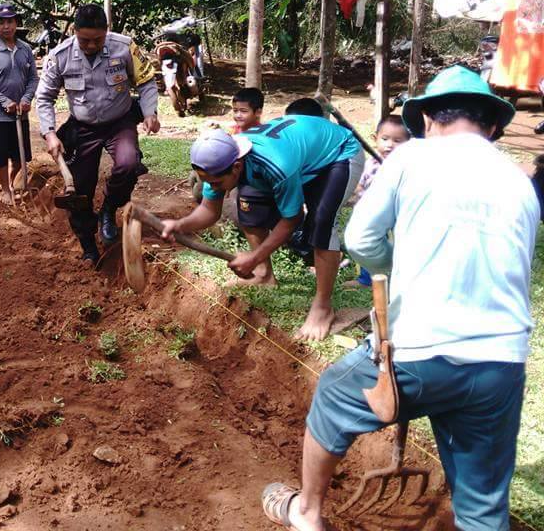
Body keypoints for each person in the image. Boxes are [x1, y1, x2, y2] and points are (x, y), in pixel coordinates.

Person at [262, 66, 537, 531]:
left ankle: (306, 513)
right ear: (491, 125)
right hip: (501, 360)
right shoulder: (518, 181)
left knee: (332, 393)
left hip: (420, 352)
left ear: (427, 120)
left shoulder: (410, 160)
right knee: (484, 508)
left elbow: (360, 239)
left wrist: (394, 265)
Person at [162, 115, 364, 340]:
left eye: (216, 183)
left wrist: (254, 256)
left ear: (236, 167)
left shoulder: (276, 165)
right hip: (296, 155)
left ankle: (323, 306)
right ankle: (264, 276)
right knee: (250, 206)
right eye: (208, 182)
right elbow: (210, 211)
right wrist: (180, 225)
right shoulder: (221, 161)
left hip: (337, 155)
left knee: (321, 223)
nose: (212, 187)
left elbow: (292, 219)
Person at [35, 3, 160, 264]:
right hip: (82, 127)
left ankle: (109, 209)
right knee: (78, 192)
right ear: (75, 32)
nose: (91, 46)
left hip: (119, 121)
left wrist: (150, 112)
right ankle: (88, 245)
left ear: (107, 31)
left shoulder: (124, 47)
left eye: (97, 40)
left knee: (128, 164)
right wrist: (49, 134)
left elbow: (146, 80)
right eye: (85, 40)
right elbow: (44, 97)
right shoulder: (60, 56)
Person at [0, 3, 38, 205]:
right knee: (0, 155)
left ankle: (11, 182)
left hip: (21, 113)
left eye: (10, 21)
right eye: (1, 23)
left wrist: (27, 98)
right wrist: (4, 102)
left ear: (16, 24)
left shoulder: (25, 49)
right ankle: (5, 189)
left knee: (20, 155)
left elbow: (33, 79)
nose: (6, 26)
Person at [345, 114, 411, 288]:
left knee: (399, 245)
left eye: (398, 140)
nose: (390, 145)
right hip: (371, 213)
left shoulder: (406, 166)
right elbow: (359, 183)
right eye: (385, 139)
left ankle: (399, 274)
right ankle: (367, 278)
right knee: (368, 242)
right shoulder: (371, 162)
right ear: (375, 139)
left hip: (396, 214)